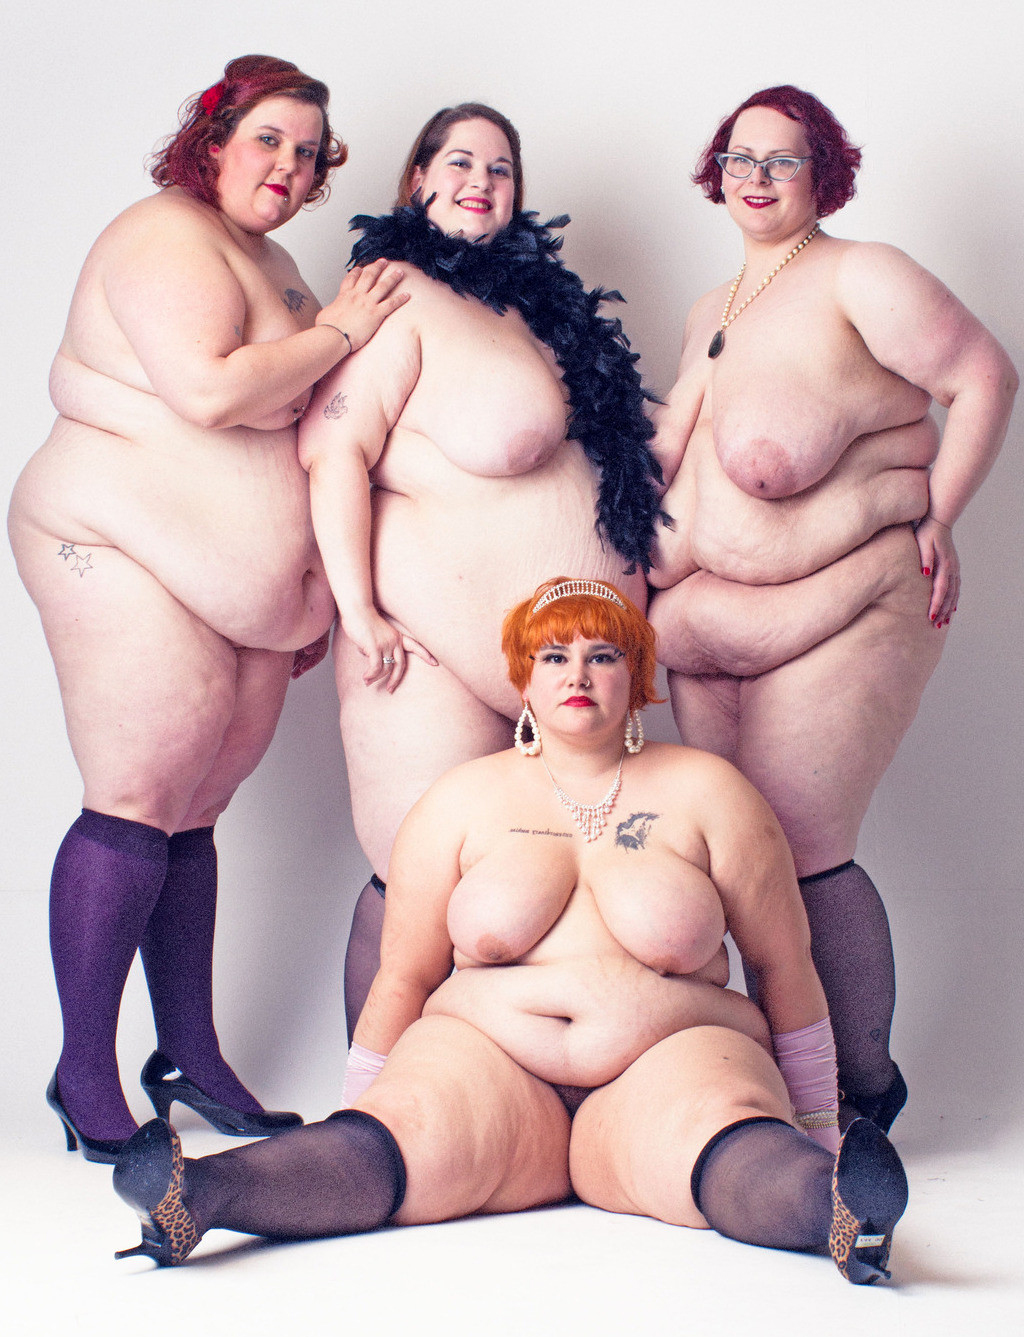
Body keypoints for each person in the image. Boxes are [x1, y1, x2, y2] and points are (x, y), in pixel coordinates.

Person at [111, 579, 908, 1286]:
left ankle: (839, 1206)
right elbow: (404, 975)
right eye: (554, 656)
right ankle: (197, 1194)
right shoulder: (458, 800)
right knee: (397, 1133)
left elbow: (783, 963)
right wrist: (363, 1104)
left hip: (672, 1057)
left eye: (602, 655)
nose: (577, 675)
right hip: (486, 1063)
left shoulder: (713, 793)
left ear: (637, 675)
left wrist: (819, 1126)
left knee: (722, 1133)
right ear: (523, 679)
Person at [7, 55, 408, 1161]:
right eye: (268, 138)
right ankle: (84, 1071)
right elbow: (211, 389)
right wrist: (343, 329)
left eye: (308, 152)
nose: (289, 165)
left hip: (227, 589)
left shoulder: (274, 262)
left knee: (196, 806)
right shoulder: (165, 235)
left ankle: (189, 1051)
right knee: (139, 791)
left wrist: (305, 591)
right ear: (214, 140)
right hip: (113, 541)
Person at [647, 85, 1017, 1131]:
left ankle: (862, 1089)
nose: (757, 177)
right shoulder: (711, 307)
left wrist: (940, 514)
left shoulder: (863, 274)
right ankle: (789, 1085)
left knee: (800, 845)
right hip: (707, 629)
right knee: (735, 858)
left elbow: (984, 375)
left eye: (784, 159)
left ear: (825, 174)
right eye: (739, 158)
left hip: (844, 606)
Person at [296, 104, 662, 1034]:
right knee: (420, 886)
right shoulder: (395, 294)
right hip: (431, 659)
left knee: (545, 903)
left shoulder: (542, 309)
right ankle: (374, 1096)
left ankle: (498, 1093)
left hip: (574, 673)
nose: (481, 182)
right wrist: (360, 611)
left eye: (501, 169)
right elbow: (333, 452)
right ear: (418, 178)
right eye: (460, 161)